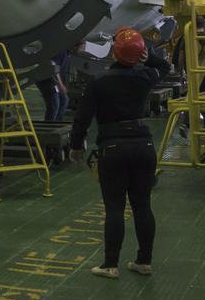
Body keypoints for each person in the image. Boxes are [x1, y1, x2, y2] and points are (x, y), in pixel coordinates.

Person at [71, 28, 170, 279]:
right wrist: (149, 58)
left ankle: (110, 265)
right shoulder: (146, 76)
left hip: (113, 147)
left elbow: (82, 118)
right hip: (143, 146)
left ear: (114, 51)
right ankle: (144, 261)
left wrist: (75, 146)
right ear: (139, 54)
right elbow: (166, 67)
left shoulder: (99, 81)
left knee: (115, 207)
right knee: (142, 205)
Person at [35, 51, 71, 122]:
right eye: (81, 47)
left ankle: (56, 122)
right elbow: (53, 67)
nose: (82, 50)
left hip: (54, 81)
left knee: (64, 100)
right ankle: (49, 125)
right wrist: (60, 85)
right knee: (54, 105)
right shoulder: (61, 53)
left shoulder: (68, 55)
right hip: (46, 80)